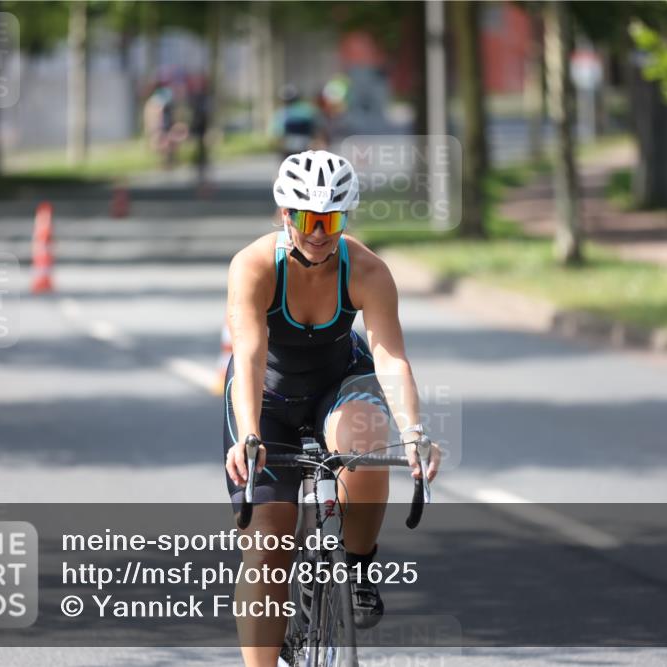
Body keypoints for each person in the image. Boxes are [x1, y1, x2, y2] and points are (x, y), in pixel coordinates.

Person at [223, 150, 441, 667]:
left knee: (367, 445)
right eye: (306, 218)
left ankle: (360, 567)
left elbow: (390, 355)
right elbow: (249, 354)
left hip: (338, 381)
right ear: (284, 214)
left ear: (346, 218)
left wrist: (413, 430)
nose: (318, 232)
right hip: (267, 395)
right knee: (268, 542)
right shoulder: (253, 266)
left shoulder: (367, 269)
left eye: (331, 220)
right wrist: (250, 434)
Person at [270, 84, 324, 158]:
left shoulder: (281, 113)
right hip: (307, 146)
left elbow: (277, 133)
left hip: (289, 147)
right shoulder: (308, 110)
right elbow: (318, 128)